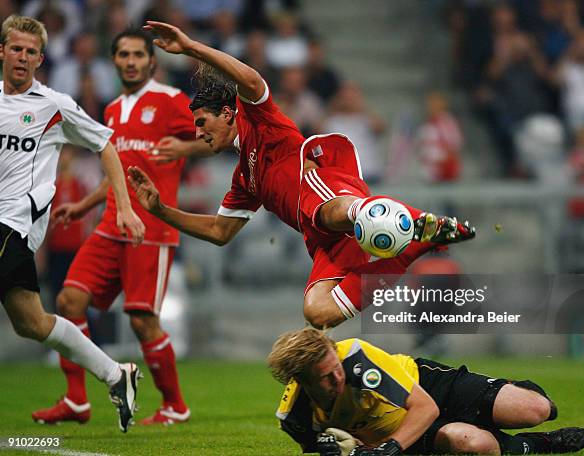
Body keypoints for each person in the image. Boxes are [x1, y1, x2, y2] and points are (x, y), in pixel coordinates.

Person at [127, 21, 476, 331]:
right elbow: (220, 232)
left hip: (327, 190)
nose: (198, 132)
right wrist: (161, 211)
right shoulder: (244, 179)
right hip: (321, 239)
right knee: (318, 312)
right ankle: (411, 246)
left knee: (327, 210)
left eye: (202, 122)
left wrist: (191, 48)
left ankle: (405, 219)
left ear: (229, 114)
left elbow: (250, 80)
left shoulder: (258, 121)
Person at [31, 29, 207, 426]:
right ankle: (76, 399)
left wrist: (185, 147)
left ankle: (175, 406)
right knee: (67, 302)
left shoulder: (171, 100)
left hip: (152, 228)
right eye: (123, 54)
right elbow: (117, 173)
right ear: (114, 60)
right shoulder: (111, 109)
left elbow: (216, 139)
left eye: (137, 55)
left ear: (151, 61)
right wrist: (82, 205)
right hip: (110, 224)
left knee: (143, 321)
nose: (130, 61)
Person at [0, 15, 144, 432]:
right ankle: (116, 374)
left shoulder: (54, 105)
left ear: (41, 58)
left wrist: (124, 206)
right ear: (2, 51)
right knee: (32, 323)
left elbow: (106, 145)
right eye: (16, 49)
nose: (23, 57)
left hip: (14, 223)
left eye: (31, 51)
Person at [268, 328, 584, 455]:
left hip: (426, 387)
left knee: (538, 409)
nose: (336, 379)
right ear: (299, 381)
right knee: (472, 443)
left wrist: (385, 450)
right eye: (325, 378)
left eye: (335, 367)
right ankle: (538, 445)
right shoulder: (294, 415)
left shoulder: (356, 361)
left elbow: (425, 408)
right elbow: (327, 449)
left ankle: (504, 391)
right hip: (402, 431)